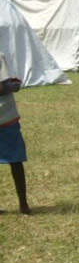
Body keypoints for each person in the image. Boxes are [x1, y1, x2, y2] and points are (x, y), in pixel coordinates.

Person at [0, 52, 30, 214]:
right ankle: (23, 205)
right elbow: (1, 87)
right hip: (4, 118)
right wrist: (14, 85)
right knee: (15, 161)